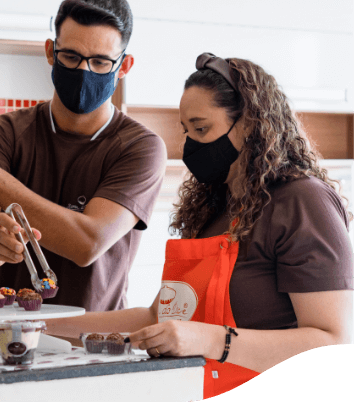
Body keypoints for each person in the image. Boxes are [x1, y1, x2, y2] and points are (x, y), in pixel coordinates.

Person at [43, 53, 354, 399]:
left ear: (250, 123)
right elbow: (155, 317)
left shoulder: (301, 202)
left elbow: (331, 340)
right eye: (186, 130)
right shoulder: (213, 207)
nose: (190, 145)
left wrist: (210, 340)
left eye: (201, 128)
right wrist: (36, 328)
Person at [0, 0, 167, 311]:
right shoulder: (4, 132)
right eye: (71, 56)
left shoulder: (141, 148)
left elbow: (88, 242)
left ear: (123, 67)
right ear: (51, 52)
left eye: (99, 62)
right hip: (8, 341)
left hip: (94, 347)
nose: (84, 71)